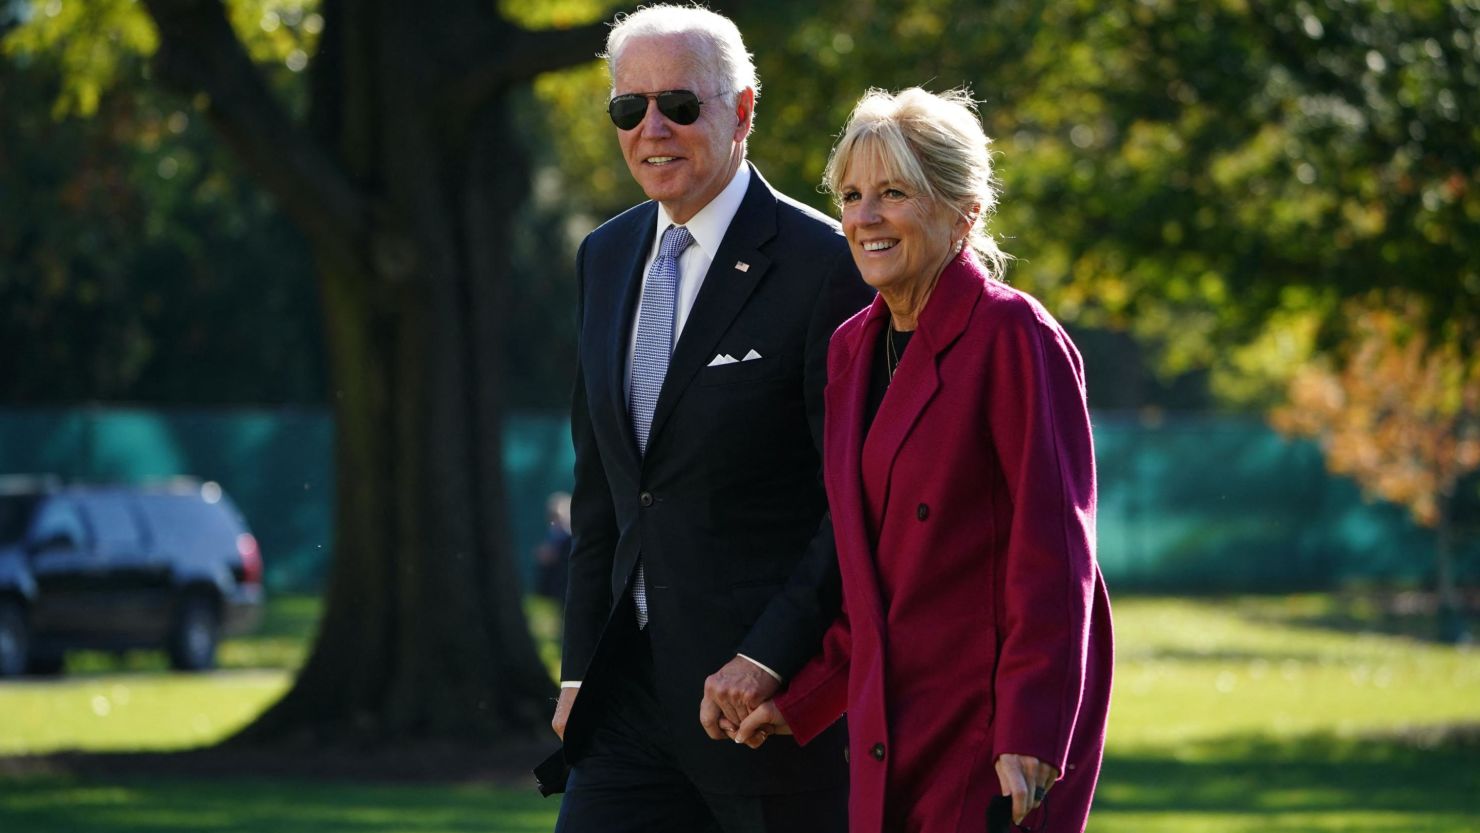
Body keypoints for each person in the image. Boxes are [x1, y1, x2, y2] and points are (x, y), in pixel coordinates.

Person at [731, 88, 1115, 833]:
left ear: (964, 210)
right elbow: (878, 583)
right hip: (888, 735)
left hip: (989, 735)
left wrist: (1033, 729)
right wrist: (802, 698)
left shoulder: (1014, 334)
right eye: (851, 195)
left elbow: (1057, 556)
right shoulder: (851, 348)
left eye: (894, 193)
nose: (863, 217)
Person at [546, 6, 872, 832]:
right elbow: (603, 489)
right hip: (623, 704)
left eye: (681, 105)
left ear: (744, 110)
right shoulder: (605, 255)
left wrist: (770, 656)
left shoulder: (827, 266)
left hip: (766, 709)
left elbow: (853, 498)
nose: (653, 127)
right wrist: (579, 669)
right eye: (630, 107)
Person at [534, 491, 572, 606]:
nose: (554, 522)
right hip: (555, 592)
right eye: (552, 517)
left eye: (558, 517)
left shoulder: (572, 539)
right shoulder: (551, 538)